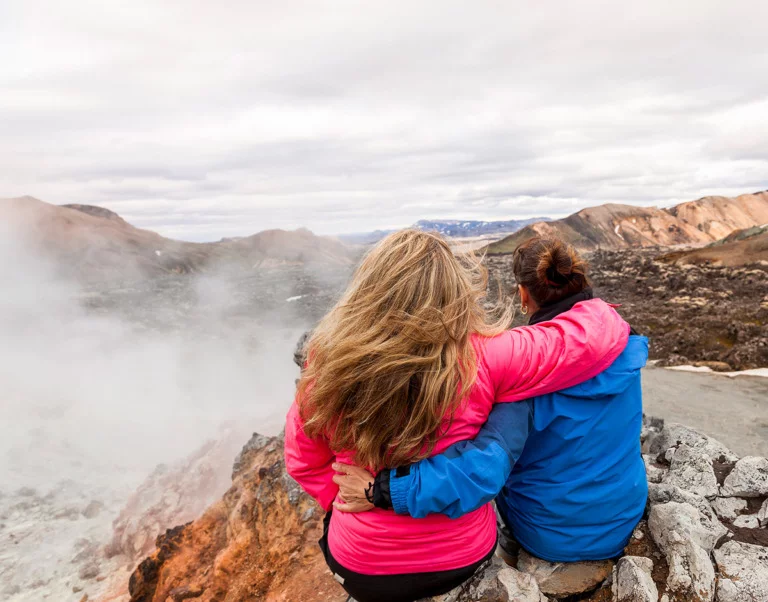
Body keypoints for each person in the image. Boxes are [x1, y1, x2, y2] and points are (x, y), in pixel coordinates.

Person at [284, 230, 630, 602]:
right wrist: (588, 298)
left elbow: (302, 461)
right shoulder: (487, 355)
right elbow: (588, 340)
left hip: (359, 568)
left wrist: (351, 499)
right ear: (454, 289)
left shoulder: (326, 364)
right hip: (458, 560)